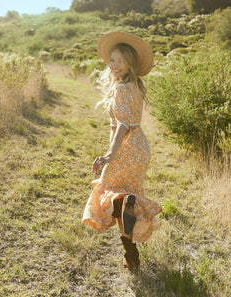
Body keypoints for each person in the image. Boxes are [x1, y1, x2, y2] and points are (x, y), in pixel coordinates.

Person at [82, 32, 162, 271]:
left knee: (111, 192)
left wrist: (109, 155)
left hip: (126, 148)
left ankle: (129, 248)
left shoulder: (121, 90)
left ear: (130, 64)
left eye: (119, 61)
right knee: (129, 195)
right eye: (112, 60)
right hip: (140, 149)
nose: (113, 65)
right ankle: (130, 255)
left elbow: (123, 127)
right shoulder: (135, 85)